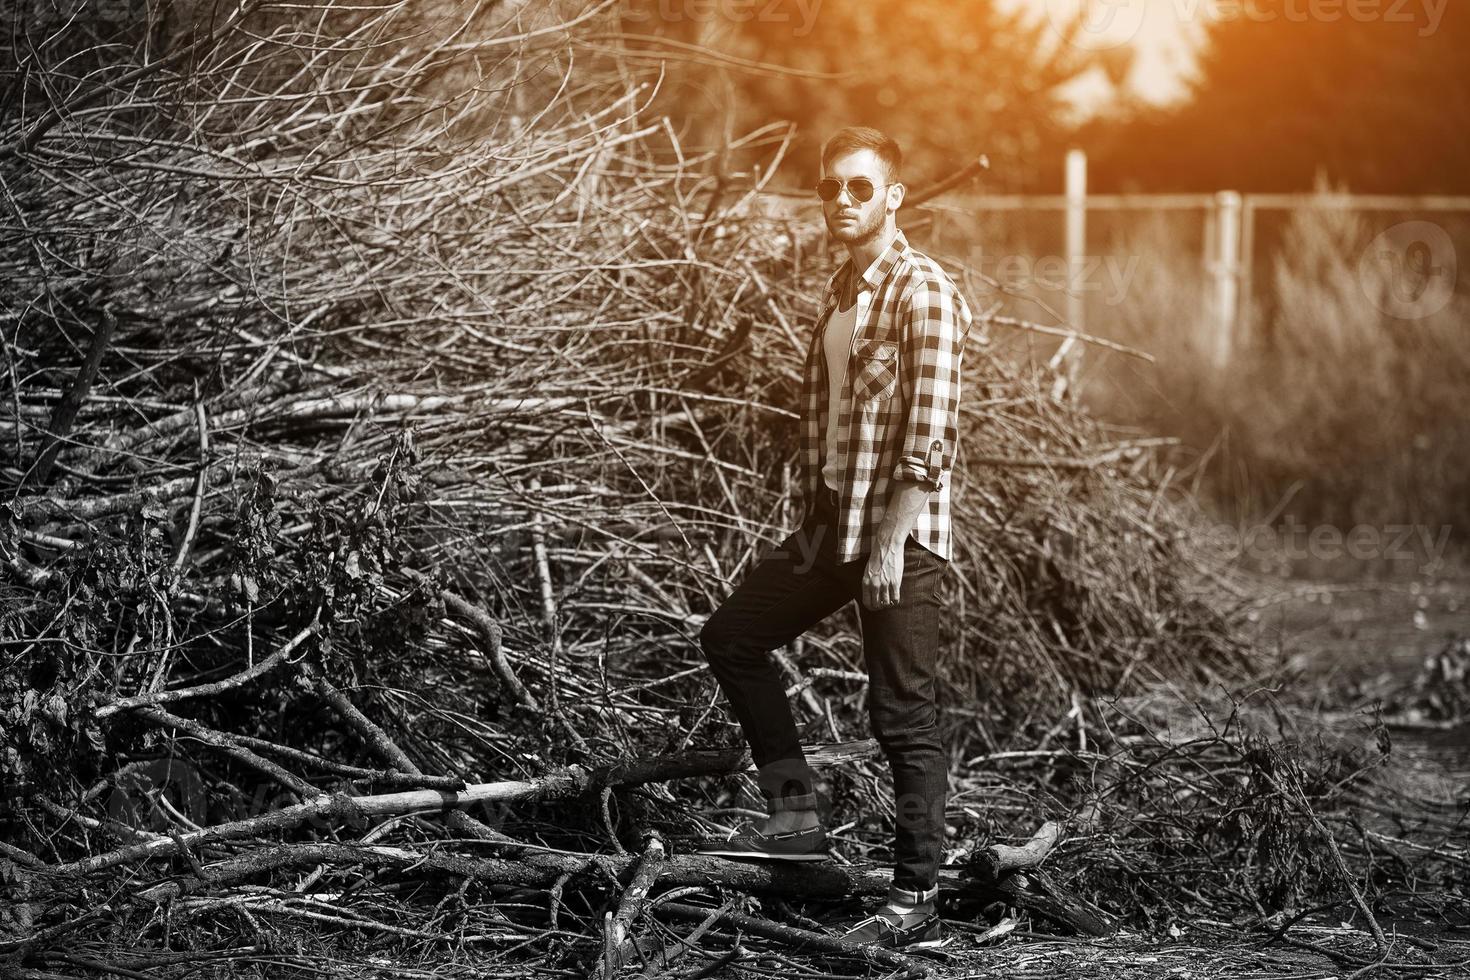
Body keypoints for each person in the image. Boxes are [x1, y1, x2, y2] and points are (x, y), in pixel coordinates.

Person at [693, 126, 972, 950]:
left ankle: (916, 896)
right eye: (829, 189)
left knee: (903, 715)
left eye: (859, 187)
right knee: (734, 637)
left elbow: (932, 437)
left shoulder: (923, 292)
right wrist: (819, 522)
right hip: (833, 527)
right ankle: (796, 825)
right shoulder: (840, 295)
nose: (840, 202)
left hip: (901, 536)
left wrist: (889, 546)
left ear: (894, 196)